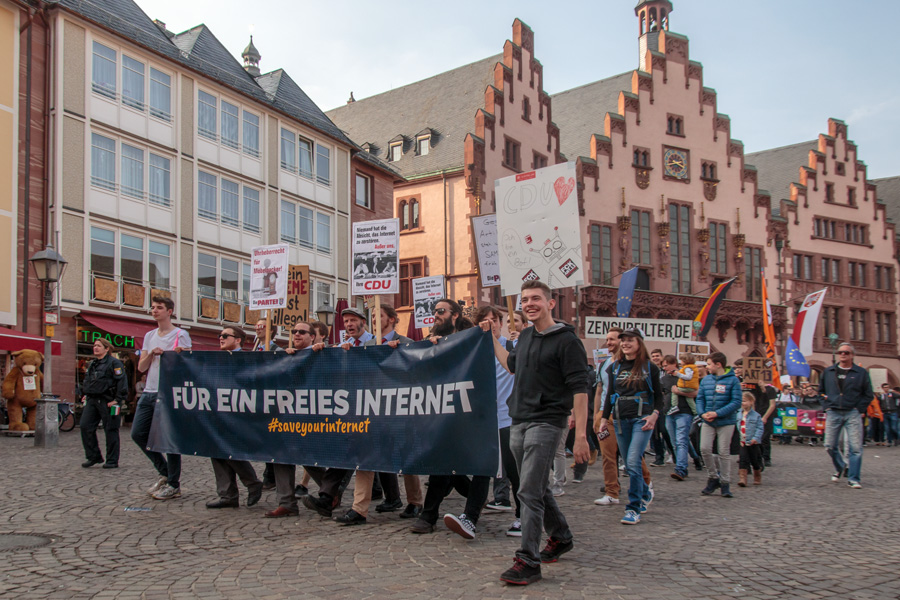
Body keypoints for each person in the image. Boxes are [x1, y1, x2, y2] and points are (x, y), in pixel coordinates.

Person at [486, 281, 591, 586]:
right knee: (536, 486)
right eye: (525, 300)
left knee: (528, 491)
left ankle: (527, 560)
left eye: (536, 299)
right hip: (520, 418)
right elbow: (512, 366)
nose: (530, 303)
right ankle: (560, 536)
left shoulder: (567, 341)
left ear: (550, 303)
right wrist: (495, 340)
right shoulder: (527, 335)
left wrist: (581, 435)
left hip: (548, 421)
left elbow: (580, 390)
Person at [335, 306, 423, 525]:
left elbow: (414, 374)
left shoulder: (407, 343)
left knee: (405, 458)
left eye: (379, 316)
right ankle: (359, 509)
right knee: (365, 457)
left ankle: (415, 502)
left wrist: (398, 353)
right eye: (372, 316)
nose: (374, 319)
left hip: (398, 412)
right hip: (371, 410)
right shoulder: (365, 346)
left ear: (391, 319)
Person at [410, 300, 488, 537]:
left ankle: (435, 513)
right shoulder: (431, 340)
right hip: (440, 411)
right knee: (443, 461)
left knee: (461, 463)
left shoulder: (471, 340)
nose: (436, 315)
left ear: (454, 315)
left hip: (470, 410)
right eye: (434, 312)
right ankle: (429, 515)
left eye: (441, 311)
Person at [301, 307, 371, 518]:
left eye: (352, 320)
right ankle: (327, 498)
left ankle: (360, 508)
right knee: (343, 454)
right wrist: (321, 352)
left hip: (372, 409)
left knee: (365, 460)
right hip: (349, 410)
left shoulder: (377, 344)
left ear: (363, 322)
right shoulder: (341, 346)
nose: (348, 324)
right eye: (346, 321)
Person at [597, 327, 663, 525]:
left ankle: (633, 508)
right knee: (629, 461)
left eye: (630, 340)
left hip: (641, 420)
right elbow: (608, 396)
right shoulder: (614, 368)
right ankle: (644, 492)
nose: (625, 343)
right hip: (619, 419)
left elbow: (659, 396)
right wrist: (602, 419)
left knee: (632, 462)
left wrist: (654, 415)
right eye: (623, 340)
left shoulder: (650, 367)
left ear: (638, 343)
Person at [131, 296, 192, 501]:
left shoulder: (180, 334)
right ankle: (164, 472)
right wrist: (152, 355)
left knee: (169, 439)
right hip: (149, 391)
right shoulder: (149, 335)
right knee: (138, 433)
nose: (155, 310)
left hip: (168, 391)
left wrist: (178, 355)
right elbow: (141, 367)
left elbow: (186, 363)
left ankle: (174, 483)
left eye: (159, 308)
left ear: (169, 311)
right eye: (153, 307)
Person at [262, 322, 318, 518]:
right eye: (294, 332)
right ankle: (286, 502)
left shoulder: (321, 354)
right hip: (287, 415)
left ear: (313, 337)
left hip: (313, 416)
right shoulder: (287, 355)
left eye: (302, 332)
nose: (296, 334)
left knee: (311, 457)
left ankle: (330, 493)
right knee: (281, 453)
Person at [476, 305, 522, 537]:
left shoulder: (511, 346)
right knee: (481, 470)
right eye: (484, 320)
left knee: (515, 471)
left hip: (508, 419)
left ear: (501, 324)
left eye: (493, 320)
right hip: (482, 421)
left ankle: (523, 515)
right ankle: (470, 516)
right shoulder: (472, 350)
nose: (489, 324)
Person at [206, 327, 263, 510]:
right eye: (219, 335)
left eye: (225, 336)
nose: (220, 338)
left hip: (238, 411)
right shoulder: (217, 359)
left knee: (230, 449)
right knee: (216, 449)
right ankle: (227, 494)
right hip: (219, 411)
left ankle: (251, 482)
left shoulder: (246, 359)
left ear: (238, 340)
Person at [820, 343, 874, 488]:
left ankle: (854, 478)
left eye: (846, 352)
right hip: (834, 411)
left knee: (855, 447)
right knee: (829, 445)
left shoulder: (861, 373)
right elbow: (820, 392)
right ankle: (841, 466)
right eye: (840, 352)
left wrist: (859, 409)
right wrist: (827, 406)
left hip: (852, 413)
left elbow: (868, 394)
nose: (843, 355)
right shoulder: (828, 371)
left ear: (852, 355)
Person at [696, 352, 742, 498]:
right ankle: (713, 477)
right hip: (707, 420)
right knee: (704, 448)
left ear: (718, 364)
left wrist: (717, 413)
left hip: (726, 421)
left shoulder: (733, 380)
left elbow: (736, 402)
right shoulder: (706, 380)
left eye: (709, 364)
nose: (707, 367)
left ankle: (725, 483)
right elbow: (700, 399)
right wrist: (702, 413)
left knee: (723, 451)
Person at [79, 338, 128, 469]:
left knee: (111, 429)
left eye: (99, 346)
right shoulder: (92, 364)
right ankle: (93, 456)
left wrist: (117, 399)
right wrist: (86, 394)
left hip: (108, 401)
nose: (95, 348)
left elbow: (121, 382)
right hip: (92, 400)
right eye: (94, 345)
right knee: (85, 426)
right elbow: (89, 381)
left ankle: (112, 460)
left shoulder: (114, 363)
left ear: (106, 349)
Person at [663, 354, 698, 481]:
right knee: (675, 442)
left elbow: (696, 392)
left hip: (684, 411)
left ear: (674, 364)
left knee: (681, 441)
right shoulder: (665, 379)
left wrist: (679, 392)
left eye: (666, 365)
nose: (665, 368)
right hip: (669, 413)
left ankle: (681, 469)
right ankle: (695, 458)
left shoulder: (685, 374)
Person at [737, 392, 764, 487]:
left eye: (744, 401)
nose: (742, 403)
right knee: (742, 459)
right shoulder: (738, 414)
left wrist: (756, 438)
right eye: (741, 401)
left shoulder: (756, 416)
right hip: (742, 441)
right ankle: (743, 479)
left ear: (751, 402)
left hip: (753, 442)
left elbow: (760, 428)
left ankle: (757, 474)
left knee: (754, 460)